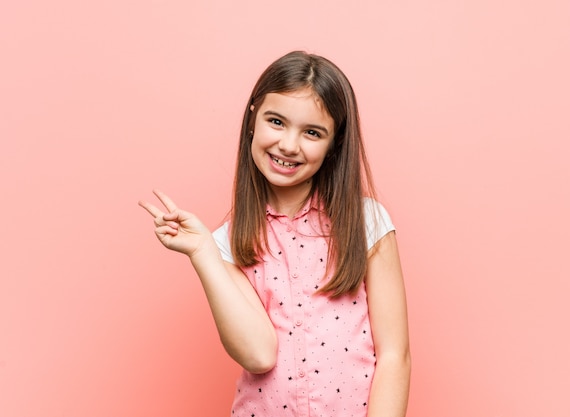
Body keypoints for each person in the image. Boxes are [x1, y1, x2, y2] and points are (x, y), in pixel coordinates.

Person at [139, 51, 410, 417]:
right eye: (277, 122)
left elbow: (395, 355)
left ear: (334, 144)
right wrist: (203, 252)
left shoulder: (367, 223)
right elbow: (259, 353)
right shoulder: (228, 244)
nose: (288, 145)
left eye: (312, 132)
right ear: (253, 119)